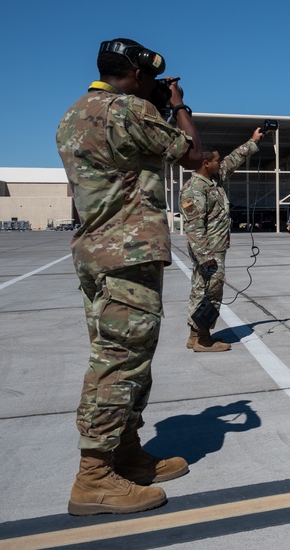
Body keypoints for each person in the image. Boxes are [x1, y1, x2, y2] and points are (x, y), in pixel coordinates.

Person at [56, 38, 203, 516]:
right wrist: (176, 106)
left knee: (125, 357)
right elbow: (189, 151)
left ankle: (126, 455)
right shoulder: (130, 111)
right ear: (137, 76)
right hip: (128, 253)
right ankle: (93, 476)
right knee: (119, 362)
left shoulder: (73, 115)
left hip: (95, 254)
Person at [179, 128, 265, 352]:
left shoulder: (213, 180)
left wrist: (253, 140)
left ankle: (195, 335)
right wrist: (206, 257)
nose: (221, 162)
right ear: (206, 163)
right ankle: (202, 339)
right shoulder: (195, 190)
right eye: (217, 160)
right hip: (208, 252)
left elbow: (233, 160)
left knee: (204, 290)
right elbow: (194, 228)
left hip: (215, 249)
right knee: (208, 292)